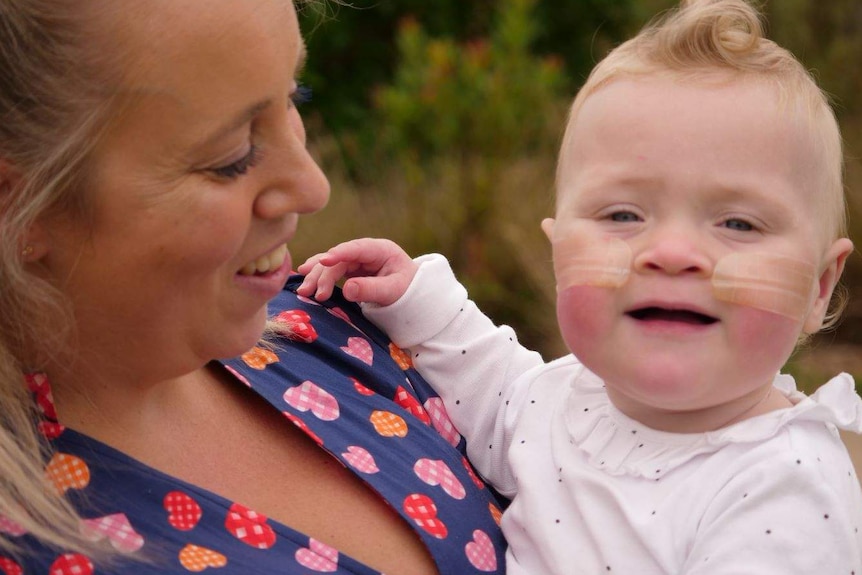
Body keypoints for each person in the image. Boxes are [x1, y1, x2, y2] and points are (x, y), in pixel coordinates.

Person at [298, 0, 862, 573]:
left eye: (738, 224)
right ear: (558, 254)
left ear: (818, 288)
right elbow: (495, 390)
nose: (670, 254)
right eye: (622, 216)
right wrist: (417, 298)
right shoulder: (569, 398)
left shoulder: (783, 490)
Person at [0, 1, 509, 573]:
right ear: (19, 204)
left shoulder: (339, 328)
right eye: (231, 156)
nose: (313, 186)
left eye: (293, 98)